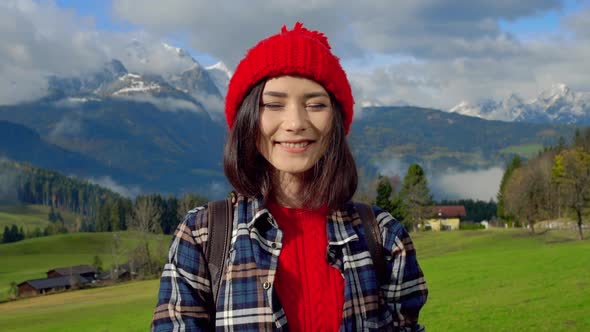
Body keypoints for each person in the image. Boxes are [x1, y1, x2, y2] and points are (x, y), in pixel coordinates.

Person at [151, 22, 428, 331]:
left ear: (336, 120)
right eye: (273, 104)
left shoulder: (383, 237)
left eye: (315, 104)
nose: (295, 122)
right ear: (248, 120)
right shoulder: (202, 236)